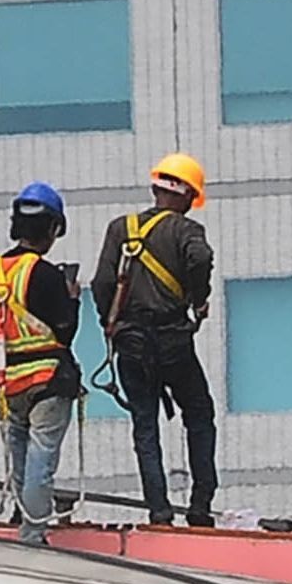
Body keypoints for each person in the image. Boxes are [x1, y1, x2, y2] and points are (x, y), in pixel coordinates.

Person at [92, 153, 217, 527]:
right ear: (187, 197)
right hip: (173, 340)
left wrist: (109, 323)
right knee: (199, 414)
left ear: (156, 188)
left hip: (131, 341)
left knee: (145, 424)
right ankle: (200, 504)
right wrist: (197, 298)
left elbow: (101, 283)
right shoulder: (186, 231)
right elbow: (200, 258)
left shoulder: (120, 229)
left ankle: (159, 511)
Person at [0, 182, 80, 546]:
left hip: (9, 382)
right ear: (52, 228)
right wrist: (72, 299)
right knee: (41, 459)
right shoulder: (45, 274)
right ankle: (33, 534)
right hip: (47, 378)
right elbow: (65, 332)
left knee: (19, 456)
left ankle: (23, 517)